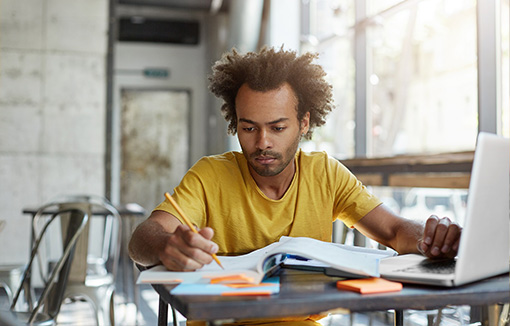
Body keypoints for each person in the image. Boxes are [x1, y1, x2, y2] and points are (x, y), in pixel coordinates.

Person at [128, 47, 462, 325]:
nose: (262, 143)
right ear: (235, 122)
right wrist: (167, 245)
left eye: (277, 127)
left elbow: (394, 231)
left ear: (304, 122)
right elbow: (142, 239)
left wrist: (432, 238)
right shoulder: (210, 175)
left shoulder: (325, 174)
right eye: (248, 128)